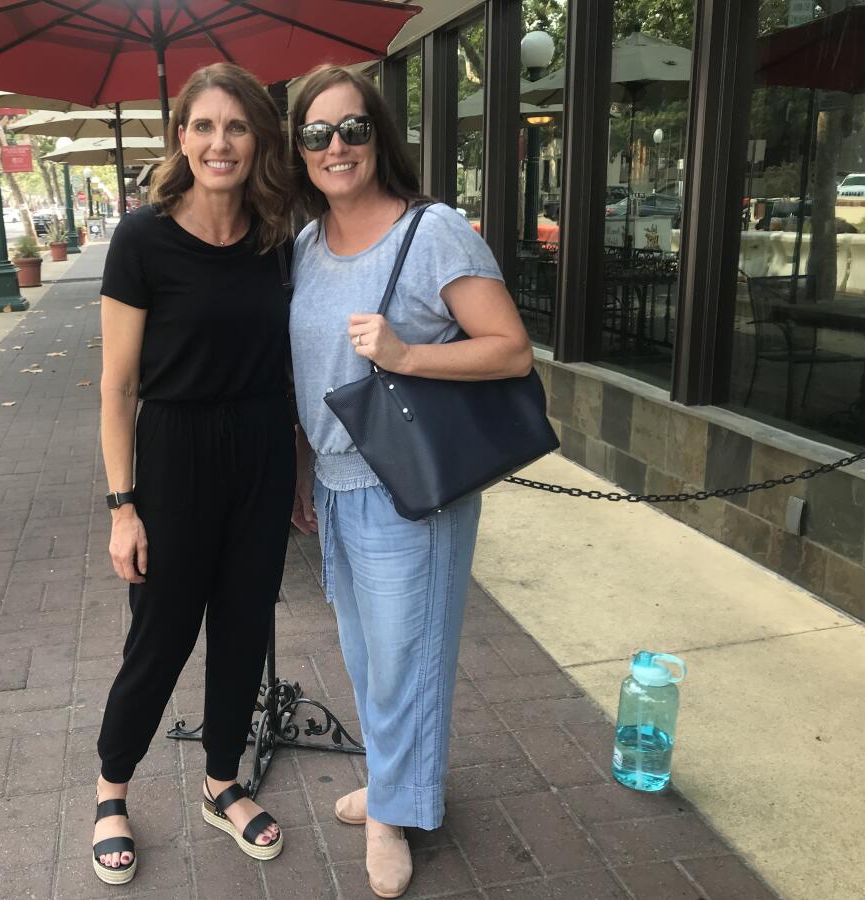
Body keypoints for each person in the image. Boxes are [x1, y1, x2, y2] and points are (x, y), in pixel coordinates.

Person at [287, 66, 535, 899]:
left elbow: (509, 347)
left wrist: (406, 354)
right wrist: (301, 473)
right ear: (299, 149)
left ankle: (396, 812)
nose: (337, 147)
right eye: (317, 134)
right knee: (365, 653)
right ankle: (398, 784)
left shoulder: (430, 232)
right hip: (333, 479)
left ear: (379, 135)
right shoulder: (305, 245)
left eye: (352, 128)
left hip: (409, 484)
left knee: (406, 657)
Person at [93, 62, 295, 885]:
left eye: (238, 127)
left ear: (257, 141)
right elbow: (117, 385)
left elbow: (287, 366)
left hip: (262, 447)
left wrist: (302, 470)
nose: (221, 143)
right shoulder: (142, 239)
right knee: (162, 633)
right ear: (182, 136)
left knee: (245, 625)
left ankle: (221, 782)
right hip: (173, 453)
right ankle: (112, 789)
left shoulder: (277, 236)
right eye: (206, 126)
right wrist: (121, 506)